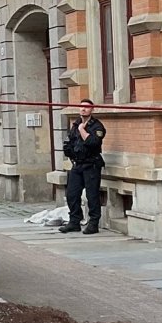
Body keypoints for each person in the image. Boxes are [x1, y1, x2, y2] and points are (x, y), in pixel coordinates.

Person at [59, 99, 106, 235]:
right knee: (72, 194)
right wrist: (70, 152)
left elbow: (93, 142)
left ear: (92, 109)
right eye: (81, 107)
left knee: (92, 195)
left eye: (86, 107)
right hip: (77, 165)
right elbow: (69, 142)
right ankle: (74, 222)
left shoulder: (97, 126)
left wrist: (82, 130)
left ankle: (93, 224)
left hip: (91, 165)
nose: (83, 109)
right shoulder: (75, 125)